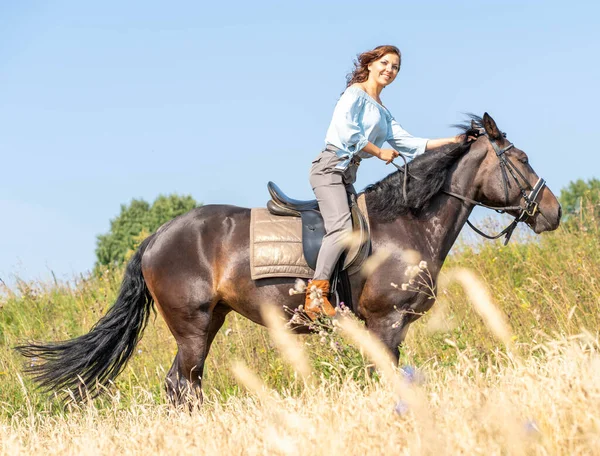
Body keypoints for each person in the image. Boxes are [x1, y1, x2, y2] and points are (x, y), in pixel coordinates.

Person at [305, 45, 470, 319]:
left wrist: (451, 142)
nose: (389, 70)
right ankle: (315, 295)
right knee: (342, 228)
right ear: (370, 64)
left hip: (346, 175)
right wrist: (378, 151)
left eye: (395, 67)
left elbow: (410, 143)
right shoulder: (354, 94)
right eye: (385, 63)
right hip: (329, 168)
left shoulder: (381, 110)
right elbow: (347, 133)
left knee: (361, 231)